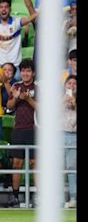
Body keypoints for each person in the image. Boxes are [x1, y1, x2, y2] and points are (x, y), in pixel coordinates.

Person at [6, 58, 38, 208]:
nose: (25, 73)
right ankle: (15, 197)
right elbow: (9, 106)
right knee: (17, 164)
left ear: (33, 73)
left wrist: (29, 99)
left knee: (35, 164)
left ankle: (38, 197)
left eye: (28, 70)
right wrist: (17, 98)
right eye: (23, 70)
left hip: (34, 130)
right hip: (18, 130)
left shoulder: (38, 88)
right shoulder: (16, 86)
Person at [62, 75, 77, 208]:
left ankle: (73, 197)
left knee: (72, 168)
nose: (71, 85)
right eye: (69, 83)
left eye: (74, 83)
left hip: (73, 135)